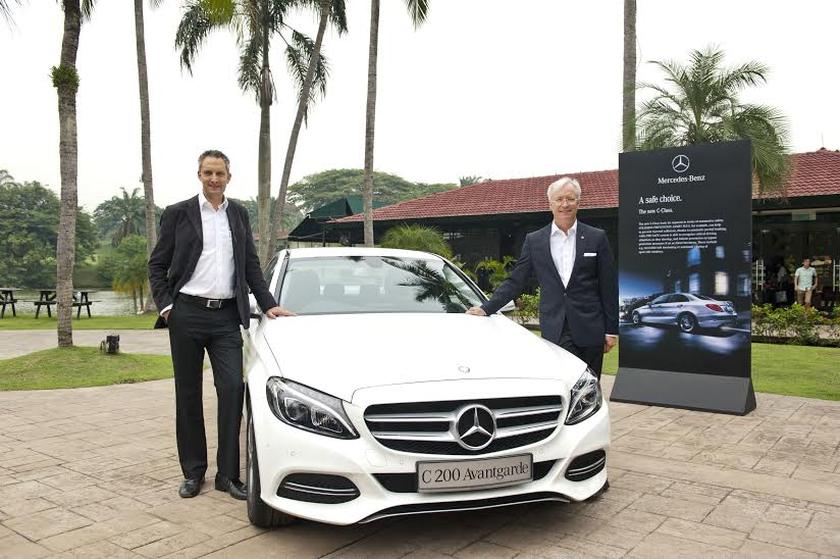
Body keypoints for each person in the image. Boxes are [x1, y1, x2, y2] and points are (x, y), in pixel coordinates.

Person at [148, 149, 293, 500]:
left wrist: (270, 304)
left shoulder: (239, 214)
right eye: (208, 173)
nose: (214, 179)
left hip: (227, 316)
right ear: (199, 174)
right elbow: (157, 265)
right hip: (187, 315)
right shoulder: (178, 214)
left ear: (229, 176)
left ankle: (228, 476)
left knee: (232, 390)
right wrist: (168, 308)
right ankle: (194, 473)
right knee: (188, 395)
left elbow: (250, 266)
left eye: (220, 174)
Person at [466, 177, 618, 377]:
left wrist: (611, 330)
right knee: (564, 380)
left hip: (590, 327)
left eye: (570, 199)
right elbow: (516, 280)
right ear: (550, 204)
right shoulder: (535, 240)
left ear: (578, 203)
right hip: (555, 326)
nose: (565, 204)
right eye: (559, 199)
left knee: (590, 383)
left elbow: (608, 286)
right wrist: (486, 308)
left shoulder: (596, 237)